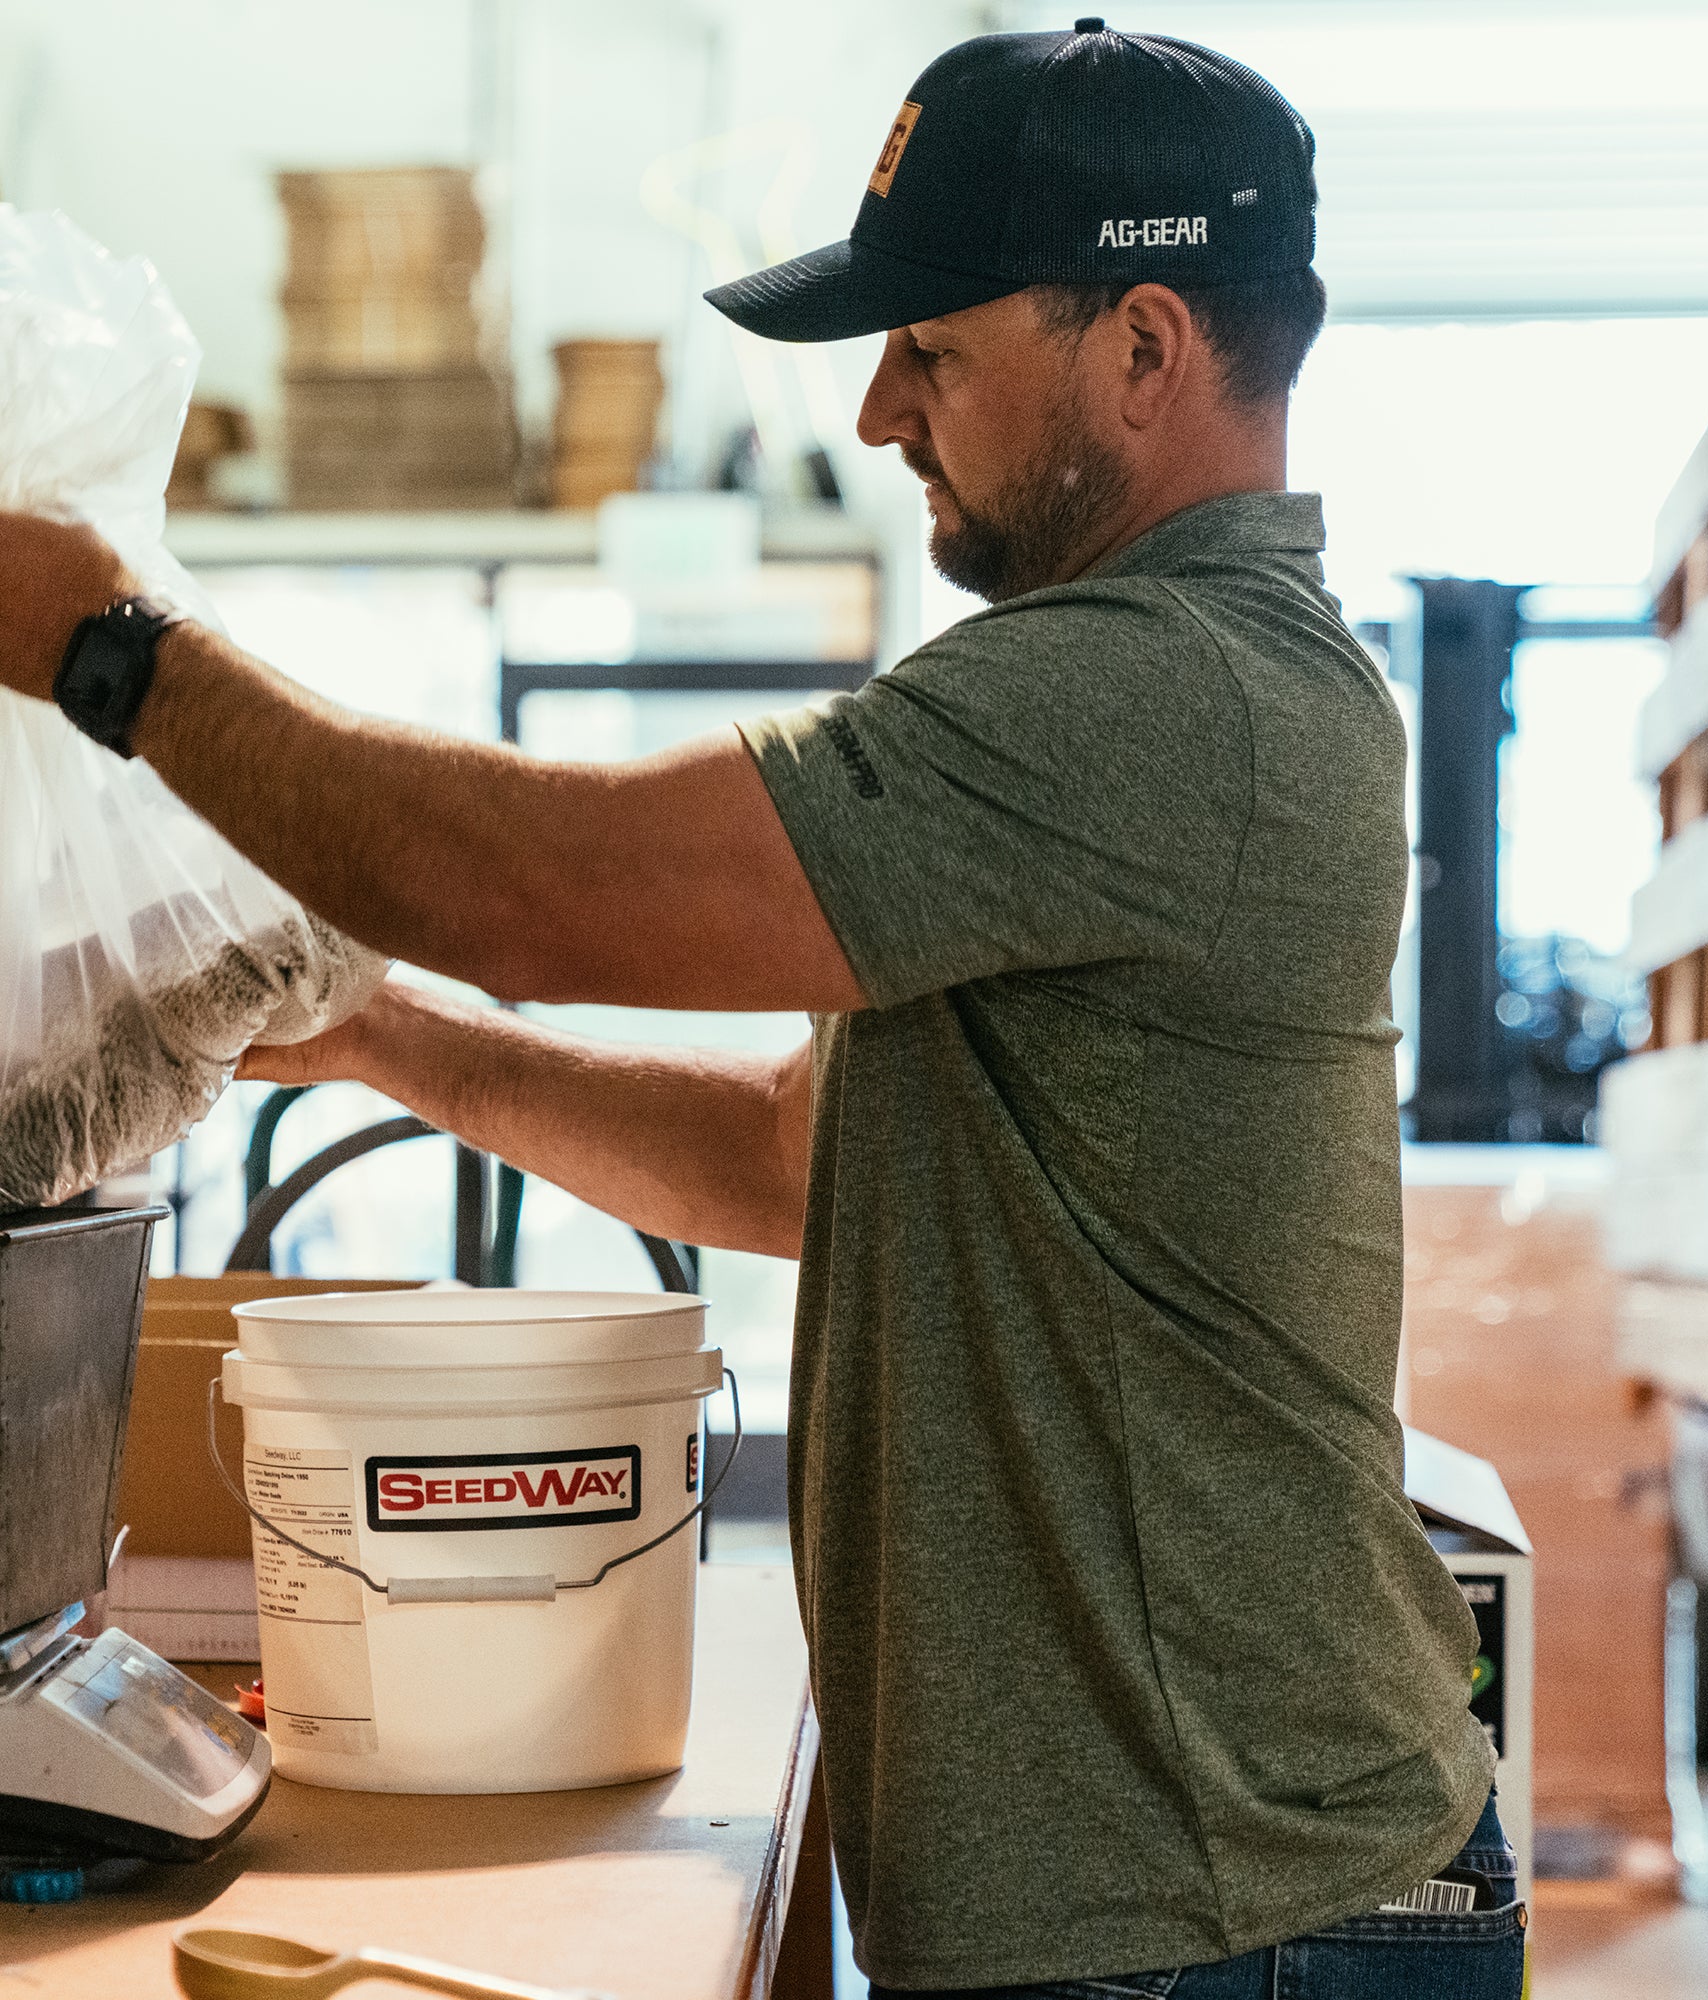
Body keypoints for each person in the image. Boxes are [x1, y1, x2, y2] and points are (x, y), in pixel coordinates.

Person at [0, 21, 1522, 2000]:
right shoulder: (1151, 690)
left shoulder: (1160, 691)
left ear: (1143, 348)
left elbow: (531, 887)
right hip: (1178, 1899)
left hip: (1213, 1916)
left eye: (933, 350)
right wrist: (384, 1036)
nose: (883, 414)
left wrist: (108, 643)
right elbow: (789, 1158)